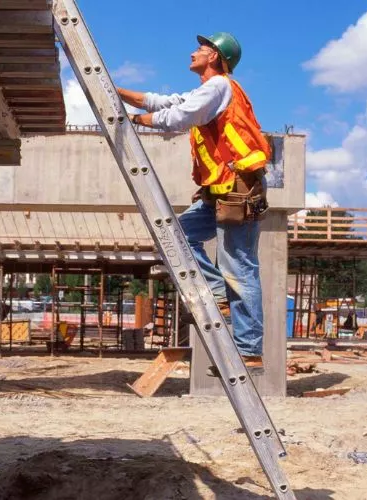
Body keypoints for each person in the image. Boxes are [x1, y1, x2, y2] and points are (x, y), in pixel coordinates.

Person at [117, 32, 271, 372]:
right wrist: (118, 93)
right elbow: (166, 103)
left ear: (214, 56)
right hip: (220, 190)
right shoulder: (208, 91)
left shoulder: (218, 87)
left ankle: (249, 351)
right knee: (176, 234)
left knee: (240, 268)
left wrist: (133, 120)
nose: (192, 53)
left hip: (237, 190)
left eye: (200, 49)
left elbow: (177, 118)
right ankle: (217, 293)